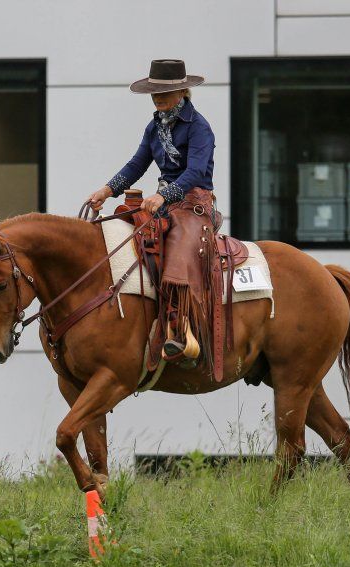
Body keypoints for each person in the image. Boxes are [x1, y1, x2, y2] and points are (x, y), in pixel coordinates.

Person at [87, 59, 217, 363]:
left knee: (179, 249)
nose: (158, 97)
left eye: (164, 91)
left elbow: (196, 171)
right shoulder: (155, 126)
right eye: (154, 92)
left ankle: (181, 328)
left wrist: (164, 195)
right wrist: (107, 190)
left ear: (182, 92)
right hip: (164, 201)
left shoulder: (199, 127)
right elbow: (137, 164)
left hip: (194, 203)